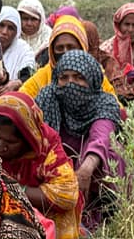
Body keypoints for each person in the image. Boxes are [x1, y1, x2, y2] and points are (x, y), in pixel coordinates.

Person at [0, 91, 85, 239]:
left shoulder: (46, 146)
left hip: (39, 211)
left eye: (10, 143)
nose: (1, 147)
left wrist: (14, 189)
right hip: (1, 209)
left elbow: (66, 195)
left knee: (62, 210)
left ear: (28, 137)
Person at [34, 50, 128, 229]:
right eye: (64, 77)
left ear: (91, 79)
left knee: (110, 151)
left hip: (89, 170)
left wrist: (86, 167)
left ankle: (101, 215)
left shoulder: (104, 102)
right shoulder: (48, 98)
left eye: (78, 77)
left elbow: (101, 134)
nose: (70, 84)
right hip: (56, 170)